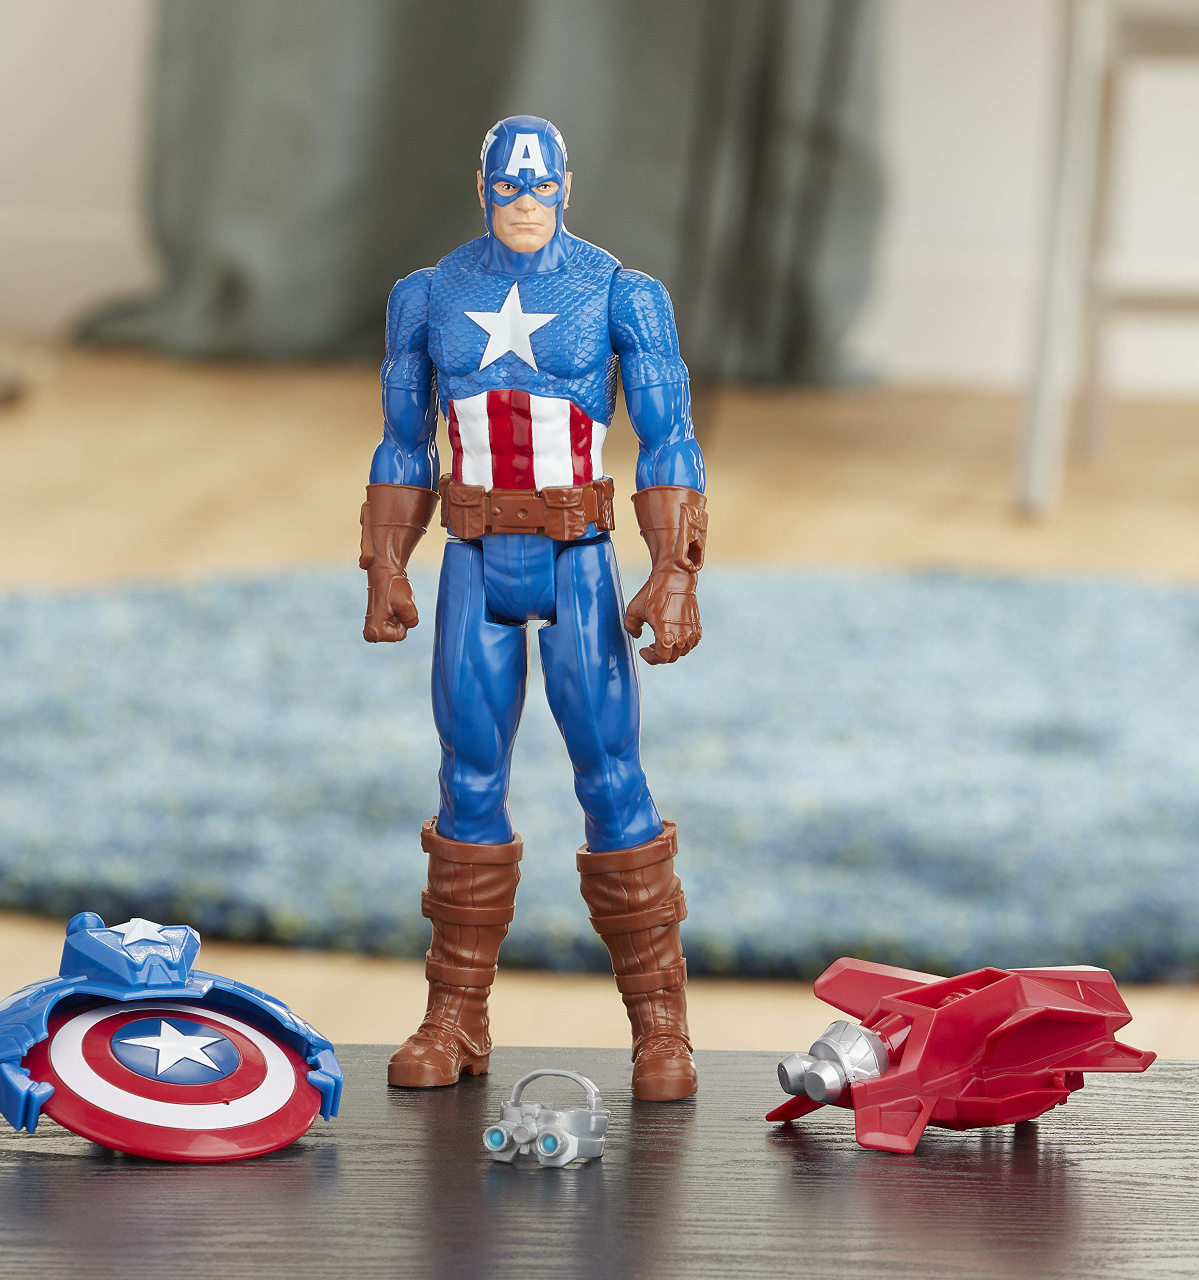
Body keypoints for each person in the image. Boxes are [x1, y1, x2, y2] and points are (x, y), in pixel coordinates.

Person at [360, 116, 707, 1101]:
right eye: (508, 187)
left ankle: (660, 1026)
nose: (523, 203)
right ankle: (455, 1014)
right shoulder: (428, 294)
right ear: (482, 188)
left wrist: (675, 569)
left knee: (611, 775)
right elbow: (404, 439)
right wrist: (385, 561)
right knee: (467, 777)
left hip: (578, 558)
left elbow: (669, 434)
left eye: (539, 186)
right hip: (472, 555)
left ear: (565, 186)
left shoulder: (618, 292)